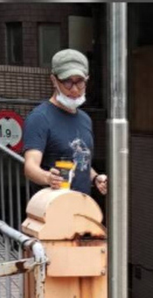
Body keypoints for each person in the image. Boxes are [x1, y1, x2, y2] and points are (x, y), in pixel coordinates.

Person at [23, 49, 108, 197]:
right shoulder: (40, 117)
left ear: (87, 80)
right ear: (54, 80)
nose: (74, 89)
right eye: (67, 82)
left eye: (79, 82)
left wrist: (95, 178)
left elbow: (81, 163)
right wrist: (47, 178)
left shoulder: (85, 119)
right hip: (52, 206)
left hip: (82, 205)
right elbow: (30, 167)